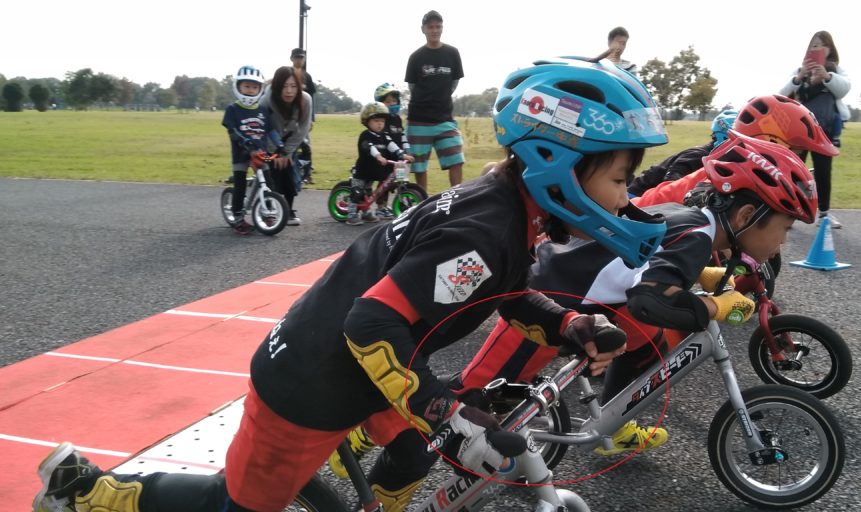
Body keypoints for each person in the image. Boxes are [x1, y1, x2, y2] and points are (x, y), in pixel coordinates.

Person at [33, 57, 670, 512]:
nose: (625, 198)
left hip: (371, 366)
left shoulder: (508, 210)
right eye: (619, 179)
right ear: (556, 163)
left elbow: (500, 294)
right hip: (312, 379)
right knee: (231, 504)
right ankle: (89, 492)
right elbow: (371, 322)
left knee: (414, 456)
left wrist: (567, 324)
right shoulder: (485, 229)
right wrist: (448, 414)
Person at [454, 132, 820, 457]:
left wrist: (703, 276)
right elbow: (650, 301)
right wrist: (715, 305)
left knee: (647, 342)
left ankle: (612, 423)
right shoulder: (697, 237)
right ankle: (449, 450)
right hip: (547, 297)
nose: (783, 241)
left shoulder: (692, 219)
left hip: (589, 297)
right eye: (784, 228)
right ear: (744, 217)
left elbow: (651, 267)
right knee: (475, 395)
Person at [634, 94, 838, 208]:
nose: (798, 162)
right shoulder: (719, 176)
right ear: (768, 142)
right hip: (638, 212)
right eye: (796, 152)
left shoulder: (739, 176)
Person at [780, 31, 850, 228]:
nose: (816, 49)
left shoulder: (836, 71)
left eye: (820, 45)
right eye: (813, 45)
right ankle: (791, 212)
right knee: (796, 171)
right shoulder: (798, 70)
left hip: (824, 130)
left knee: (823, 171)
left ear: (830, 49)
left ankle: (824, 214)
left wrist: (827, 76)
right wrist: (800, 76)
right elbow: (782, 94)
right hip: (798, 129)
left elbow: (844, 88)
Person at [405, 10, 465, 193]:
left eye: (438, 26)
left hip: (445, 119)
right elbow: (412, 87)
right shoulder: (416, 57)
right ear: (423, 29)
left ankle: (456, 200)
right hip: (419, 120)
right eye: (430, 27)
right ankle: (421, 203)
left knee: (456, 160)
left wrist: (440, 97)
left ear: (442, 28)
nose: (434, 30)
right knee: (419, 167)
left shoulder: (452, 53)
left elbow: (454, 83)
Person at [626, 108, 737, 198]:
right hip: (637, 195)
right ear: (725, 137)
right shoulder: (697, 156)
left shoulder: (714, 159)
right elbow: (670, 186)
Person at [221, 65, 278, 235]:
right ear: (238, 87)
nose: (250, 90)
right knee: (240, 186)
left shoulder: (262, 111)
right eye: (246, 86)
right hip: (241, 154)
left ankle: (268, 214)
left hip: (260, 153)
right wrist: (244, 140)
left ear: (260, 89)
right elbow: (232, 131)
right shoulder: (232, 109)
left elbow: (271, 131)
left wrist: (279, 144)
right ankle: (238, 217)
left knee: (268, 183)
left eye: (254, 87)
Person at [346, 102, 415, 226]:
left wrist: (403, 155)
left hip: (373, 172)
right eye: (376, 121)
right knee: (358, 192)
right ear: (367, 121)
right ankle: (351, 214)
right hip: (362, 171)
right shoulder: (365, 135)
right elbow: (369, 147)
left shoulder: (384, 136)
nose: (380, 124)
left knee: (368, 193)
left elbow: (392, 145)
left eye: (382, 121)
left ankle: (366, 213)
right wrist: (378, 156)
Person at [261, 66, 313, 226]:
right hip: (270, 140)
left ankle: (288, 210)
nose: (289, 91)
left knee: (290, 175)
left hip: (290, 139)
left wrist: (287, 152)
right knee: (271, 177)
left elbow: (303, 128)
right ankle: (268, 211)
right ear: (277, 87)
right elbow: (262, 128)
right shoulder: (266, 100)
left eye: (293, 86)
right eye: (284, 86)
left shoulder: (305, 100)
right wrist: (275, 153)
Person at [375, 82, 413, 218]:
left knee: (399, 180)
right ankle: (380, 206)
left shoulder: (397, 119)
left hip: (399, 157)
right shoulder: (381, 120)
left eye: (394, 101)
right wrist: (400, 152)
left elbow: (402, 135)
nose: (392, 103)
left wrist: (407, 149)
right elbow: (388, 140)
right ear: (380, 103)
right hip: (386, 156)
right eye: (388, 101)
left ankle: (399, 201)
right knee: (385, 181)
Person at [290, 48, 317, 185]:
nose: (299, 60)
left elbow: (311, 98)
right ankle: (292, 170)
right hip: (289, 116)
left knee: (305, 144)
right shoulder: (287, 75)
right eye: (296, 57)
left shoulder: (307, 77)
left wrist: (312, 118)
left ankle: (307, 173)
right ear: (292, 59)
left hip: (304, 115)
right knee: (290, 143)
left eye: (301, 58)